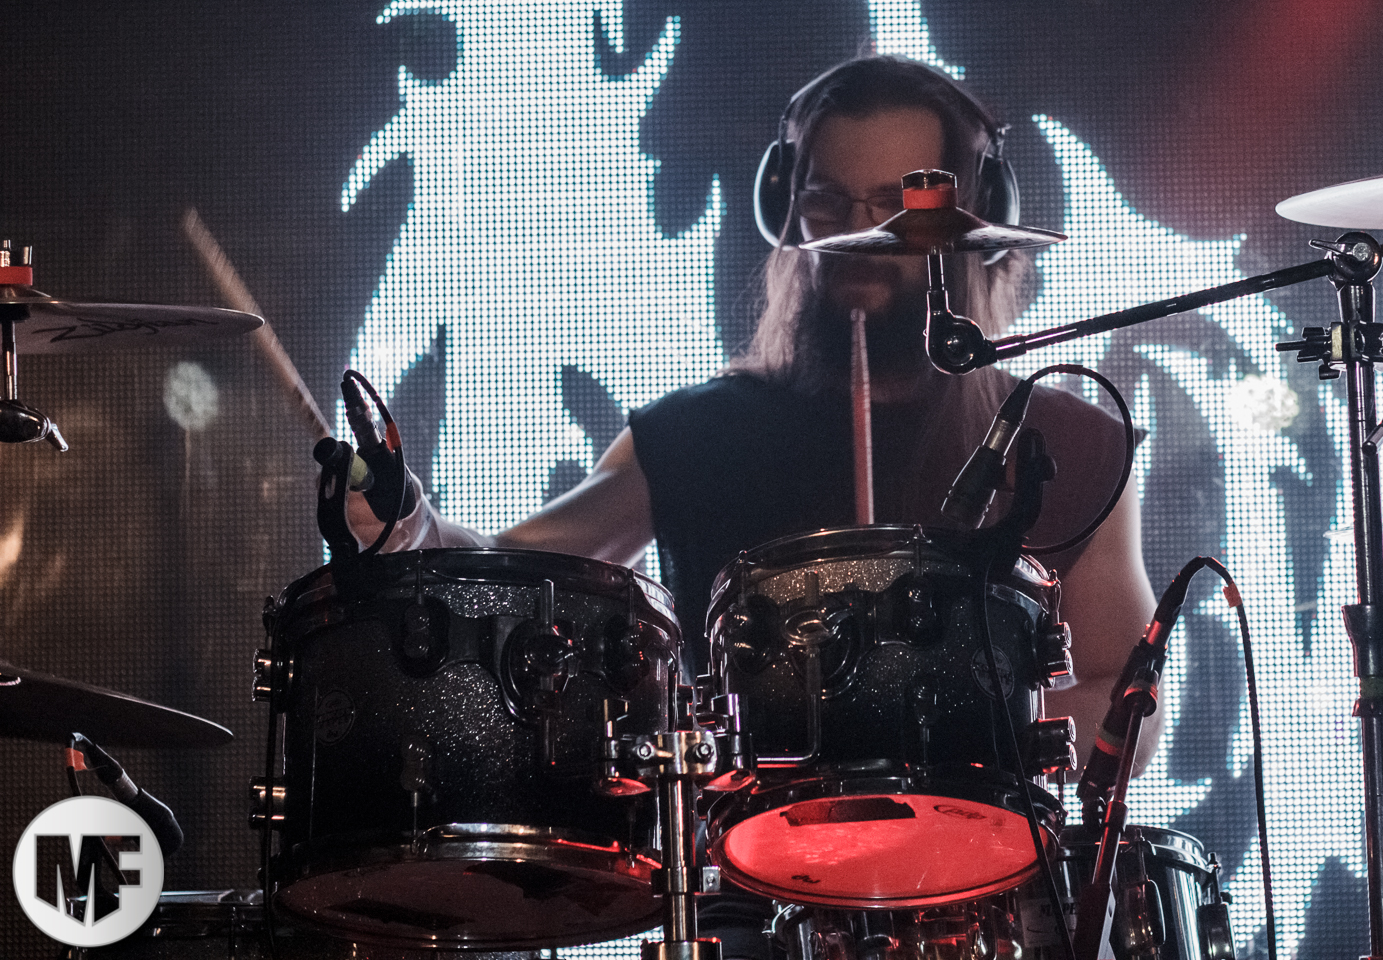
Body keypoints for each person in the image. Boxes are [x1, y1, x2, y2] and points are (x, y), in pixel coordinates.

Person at [348, 54, 1159, 957]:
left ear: (974, 220)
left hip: (993, 898)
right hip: (758, 901)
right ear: (785, 206)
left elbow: (1128, 694)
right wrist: (402, 520)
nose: (859, 233)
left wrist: (989, 755)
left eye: (898, 206)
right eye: (828, 202)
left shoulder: (1069, 439)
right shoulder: (701, 432)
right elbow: (519, 574)